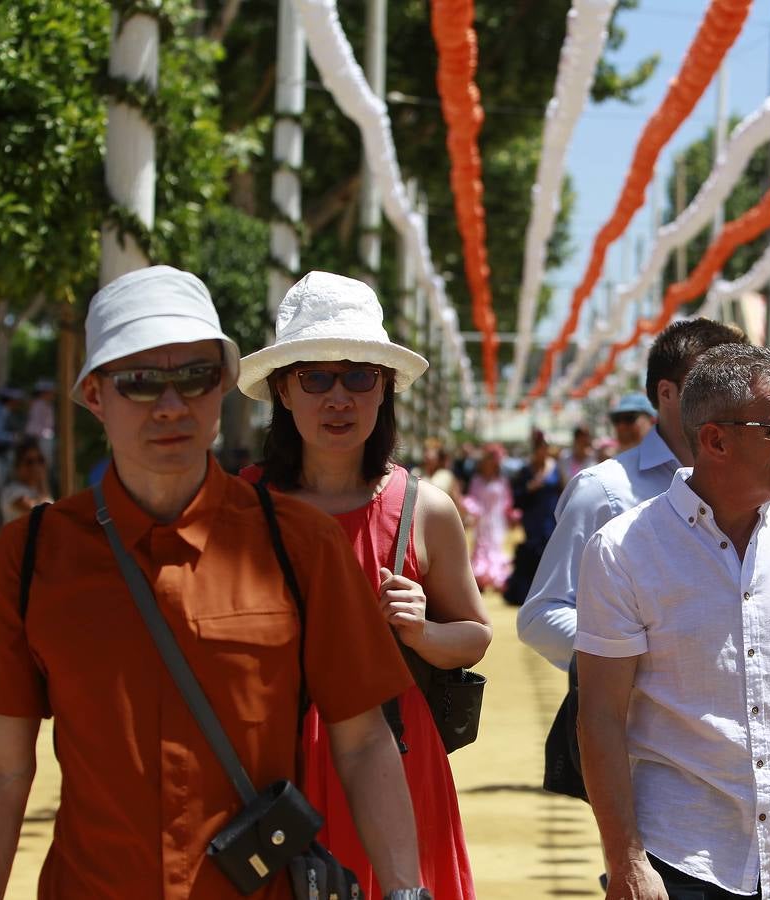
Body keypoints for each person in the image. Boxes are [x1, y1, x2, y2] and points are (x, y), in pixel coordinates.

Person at [0, 265, 424, 899]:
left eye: (194, 378)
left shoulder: (300, 546)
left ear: (224, 388)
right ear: (95, 395)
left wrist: (405, 891)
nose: (172, 406)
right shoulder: (31, 557)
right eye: (141, 383)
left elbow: (363, 740)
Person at [577, 344, 770, 900]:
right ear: (716, 440)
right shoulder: (623, 551)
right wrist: (627, 861)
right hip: (681, 860)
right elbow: (600, 716)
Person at [237, 270, 489, 900]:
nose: (338, 397)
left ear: (385, 390)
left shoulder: (424, 508)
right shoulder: (237, 505)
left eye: (359, 375)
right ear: (282, 392)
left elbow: (475, 635)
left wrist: (422, 629)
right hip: (267, 759)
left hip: (397, 759)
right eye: (314, 377)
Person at [518, 317, 749, 670]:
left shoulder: (760, 485)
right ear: (666, 393)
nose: (732, 399)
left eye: (737, 385)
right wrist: (643, 664)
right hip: (637, 721)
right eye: (711, 385)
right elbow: (542, 615)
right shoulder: (603, 491)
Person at [505, 435, 562, 607]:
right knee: (532, 554)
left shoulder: (556, 468)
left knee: (551, 554)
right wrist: (529, 488)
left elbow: (563, 491)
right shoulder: (525, 471)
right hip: (533, 520)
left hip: (552, 518)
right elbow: (516, 497)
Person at [463, 443, 514, 593]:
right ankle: (482, 577)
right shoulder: (477, 480)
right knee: (481, 546)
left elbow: (507, 501)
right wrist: (473, 510)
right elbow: (471, 498)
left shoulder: (502, 480)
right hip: (482, 521)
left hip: (497, 520)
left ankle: (497, 577)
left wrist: (510, 514)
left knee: (497, 546)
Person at [0, 436, 52, 524]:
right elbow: (37, 511)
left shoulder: (40, 491)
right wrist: (42, 481)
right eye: (29, 462)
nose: (36, 466)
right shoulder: (12, 490)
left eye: (40, 460)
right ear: (17, 466)